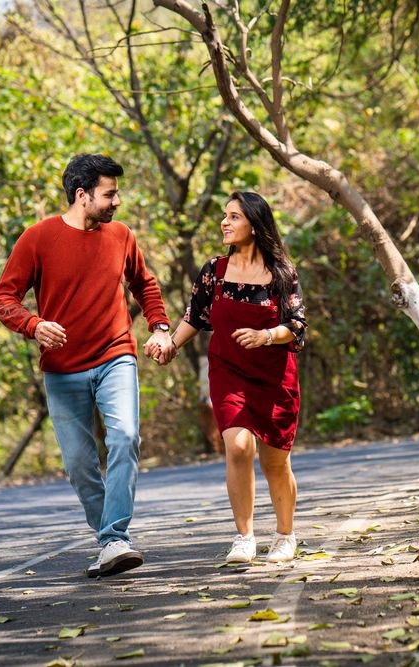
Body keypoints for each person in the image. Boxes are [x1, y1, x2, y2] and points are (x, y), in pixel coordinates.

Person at [0, 153, 177, 578]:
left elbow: (144, 285)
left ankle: (114, 538)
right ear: (82, 195)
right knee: (78, 464)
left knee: (126, 437)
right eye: (110, 194)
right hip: (62, 369)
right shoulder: (37, 239)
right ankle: (110, 541)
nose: (117, 201)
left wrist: (161, 327)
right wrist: (33, 325)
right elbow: (4, 300)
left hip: (116, 354)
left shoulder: (122, 236)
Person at [151, 191, 306, 564]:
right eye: (225, 216)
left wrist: (266, 336)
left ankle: (285, 536)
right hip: (228, 372)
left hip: (273, 378)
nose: (224, 222)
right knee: (237, 447)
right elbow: (195, 316)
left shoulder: (281, 273)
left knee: (274, 462)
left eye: (233, 217)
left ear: (254, 224)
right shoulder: (213, 271)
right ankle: (244, 537)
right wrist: (170, 345)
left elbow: (297, 327)